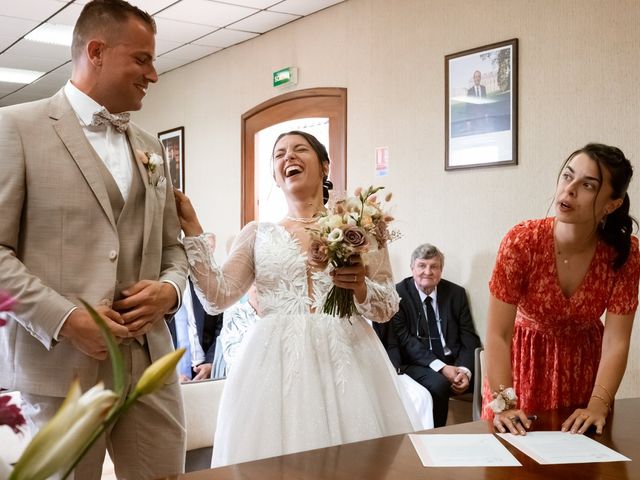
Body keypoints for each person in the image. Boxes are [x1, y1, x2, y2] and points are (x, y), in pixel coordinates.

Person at [0, 1, 188, 478]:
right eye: (142, 59)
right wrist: (64, 319)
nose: (154, 74)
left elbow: (173, 248)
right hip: (60, 368)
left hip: (149, 363)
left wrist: (169, 291)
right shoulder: (16, 128)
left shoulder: (150, 147)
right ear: (97, 51)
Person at [175, 130, 419, 467]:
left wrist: (361, 288)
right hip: (273, 366)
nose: (288, 157)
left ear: (324, 166)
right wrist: (191, 224)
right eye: (279, 154)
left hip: (348, 360)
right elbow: (217, 297)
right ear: (276, 176)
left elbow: (387, 305)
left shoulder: (361, 228)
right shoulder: (256, 234)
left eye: (299, 149)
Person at [483, 143, 640, 437]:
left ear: (612, 203)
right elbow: (498, 334)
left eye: (587, 185)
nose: (569, 190)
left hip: (585, 373)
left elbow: (616, 341)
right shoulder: (522, 242)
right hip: (519, 370)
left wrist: (598, 404)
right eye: (567, 176)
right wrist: (504, 402)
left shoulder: (624, 254)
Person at [390, 244, 482, 427]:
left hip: (452, 360)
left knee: (485, 382)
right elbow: (406, 340)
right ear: (412, 268)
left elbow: (469, 337)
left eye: (434, 266)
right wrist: (441, 368)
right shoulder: (397, 294)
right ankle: (436, 436)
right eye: (422, 265)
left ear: (441, 269)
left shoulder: (456, 294)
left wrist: (465, 371)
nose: (427, 271)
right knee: (439, 384)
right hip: (416, 362)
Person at [217, 284, 261, 375]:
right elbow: (231, 355)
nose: (258, 288)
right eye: (254, 284)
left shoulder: (280, 314)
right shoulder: (234, 312)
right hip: (244, 376)